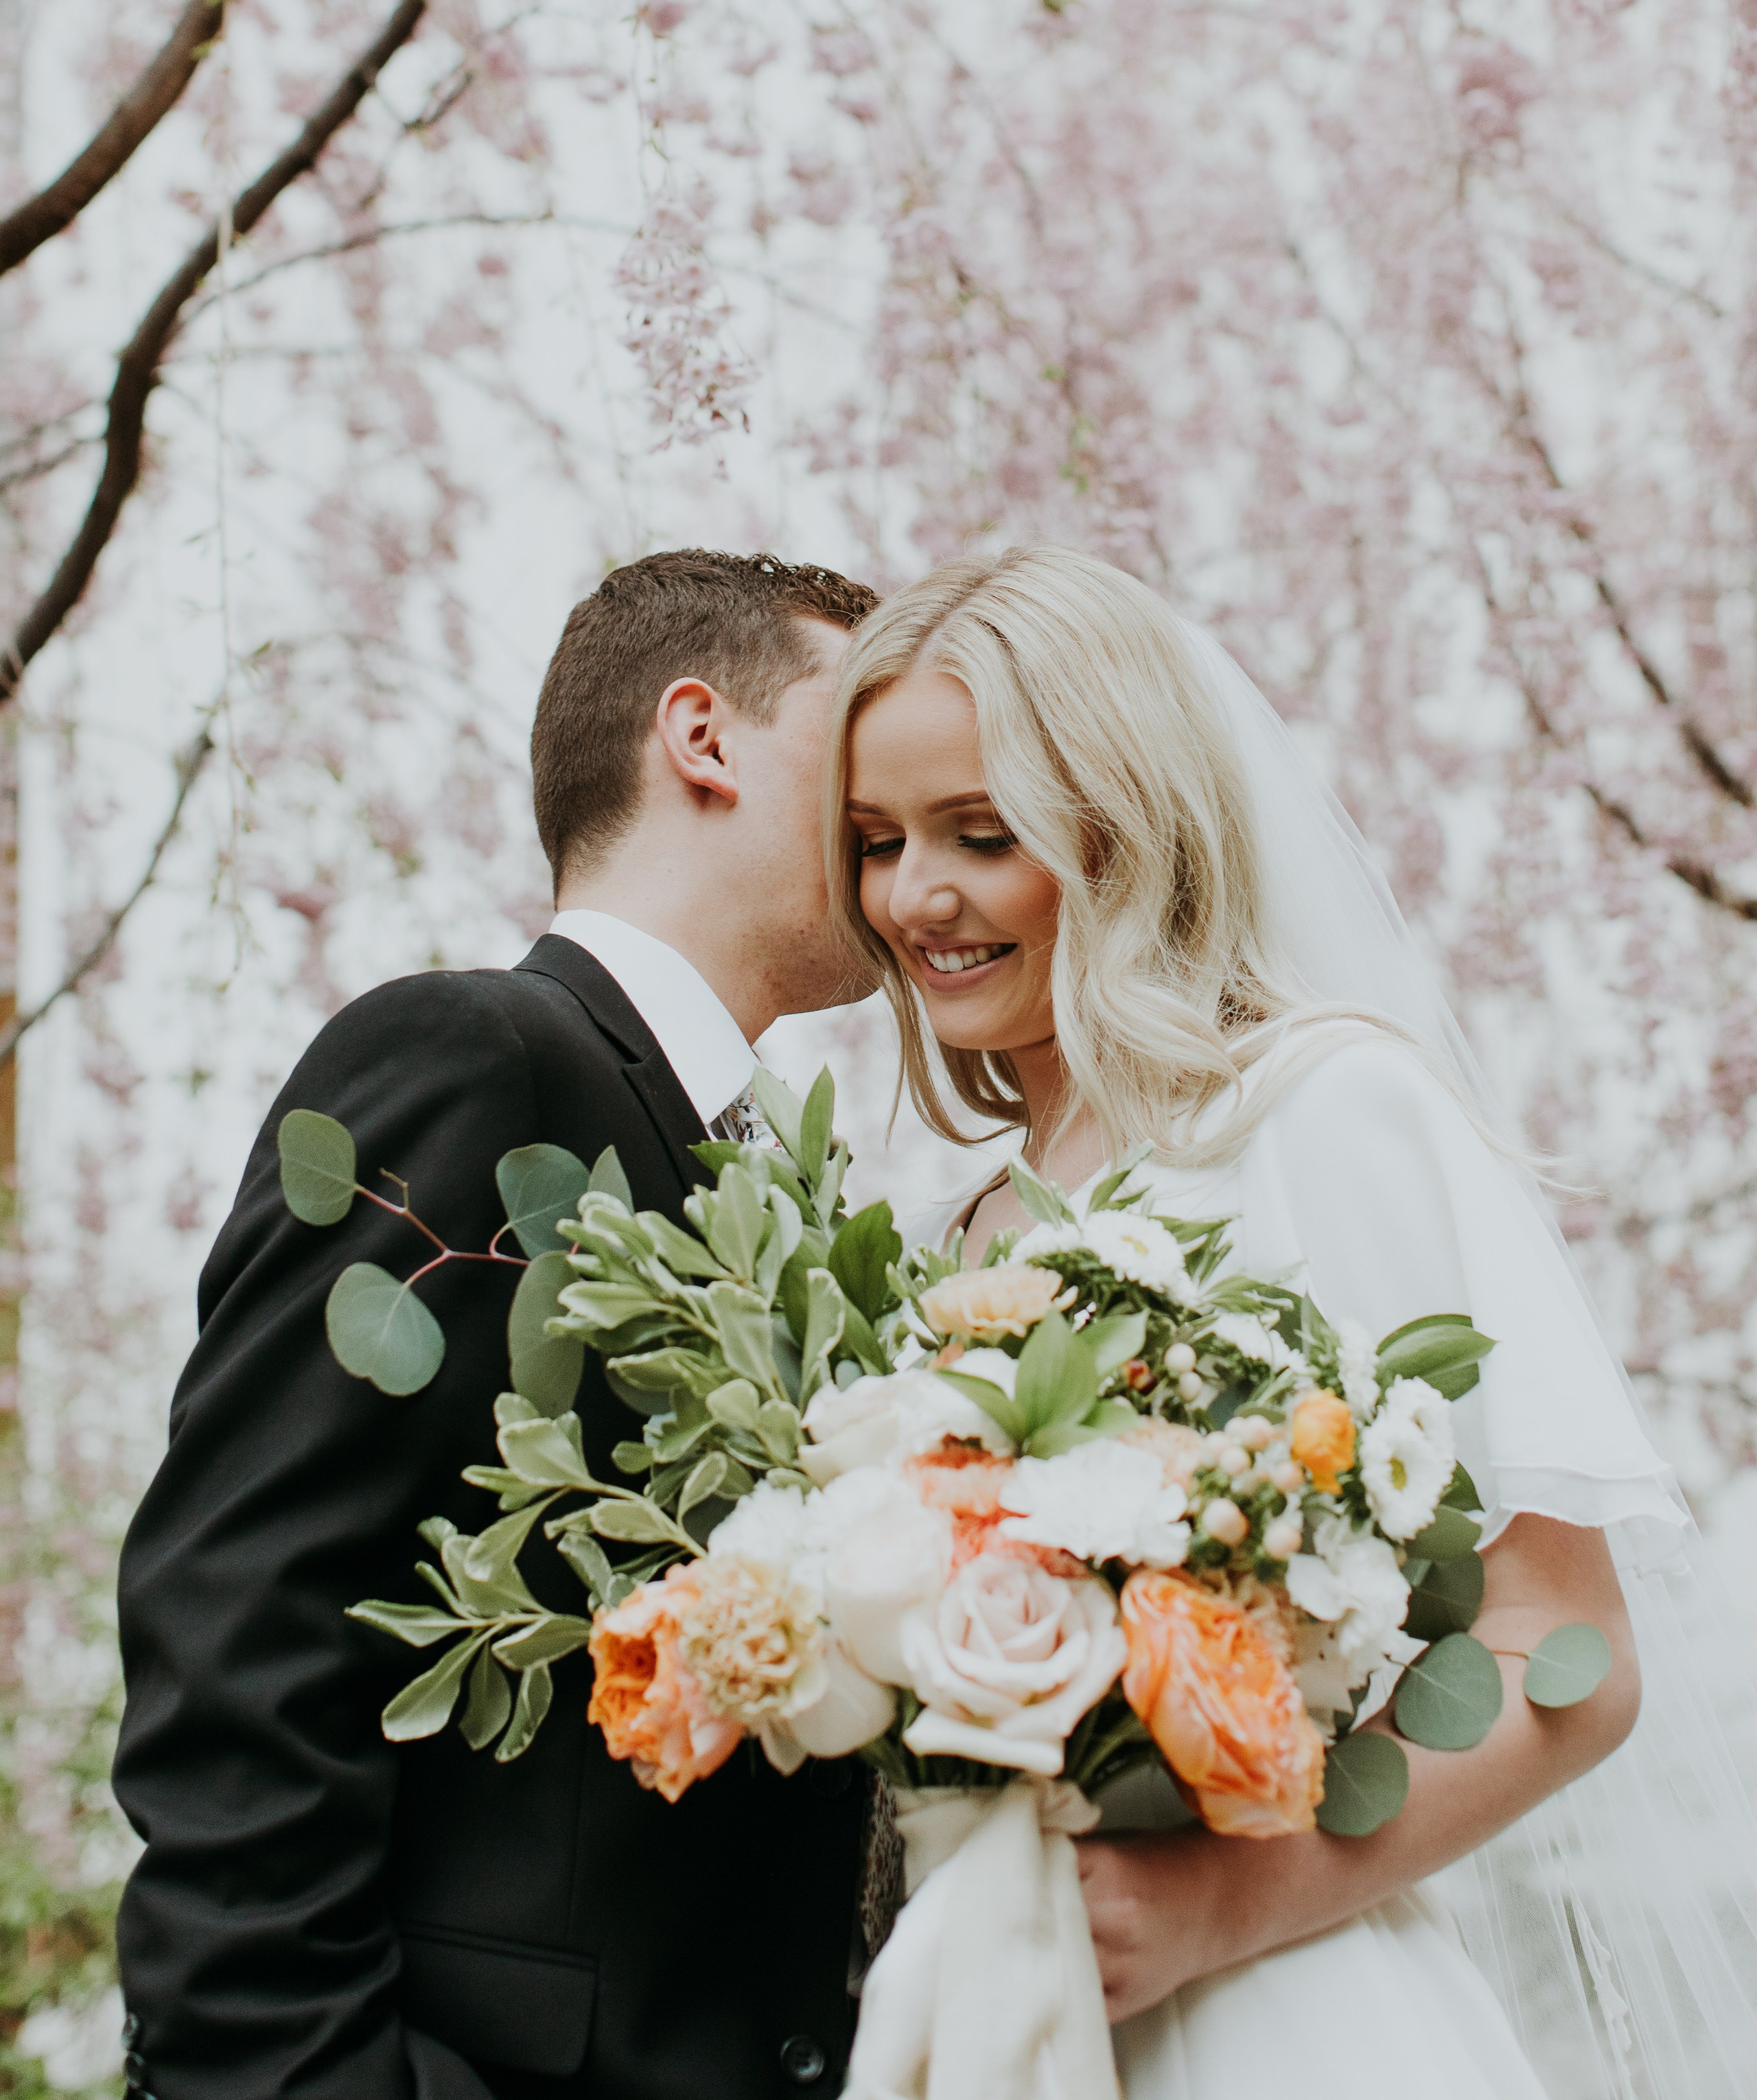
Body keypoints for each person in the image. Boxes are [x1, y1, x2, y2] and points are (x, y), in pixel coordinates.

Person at [828, 543, 1751, 2099]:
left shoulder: (1325, 1112)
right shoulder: (943, 1242)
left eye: (979, 834)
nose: (917, 896)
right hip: (986, 2012)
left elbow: (1569, 1651)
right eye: (874, 841)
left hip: (1281, 2012)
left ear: (1120, 826)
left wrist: (1216, 1909)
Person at [113, 549, 883, 2100]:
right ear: (702, 736)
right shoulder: (474, 1057)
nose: (905, 792)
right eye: (863, 730)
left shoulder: (761, 1169)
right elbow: (238, 1621)